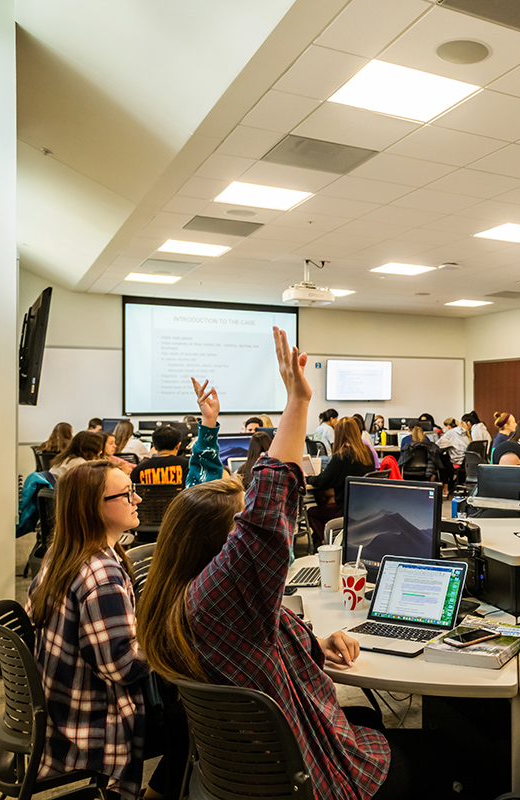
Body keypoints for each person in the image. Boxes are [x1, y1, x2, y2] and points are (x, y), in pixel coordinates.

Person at [135, 327, 462, 799]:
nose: (247, 530)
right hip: (316, 777)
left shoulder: (181, 600)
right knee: (443, 751)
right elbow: (265, 518)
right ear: (220, 546)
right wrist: (297, 402)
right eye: (237, 526)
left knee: (368, 719)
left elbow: (265, 632)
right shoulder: (215, 603)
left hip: (260, 763)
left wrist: (312, 642)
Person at [26, 460, 185, 799]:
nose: (138, 500)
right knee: (196, 721)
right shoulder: (102, 575)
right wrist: (170, 641)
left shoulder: (62, 554)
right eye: (127, 494)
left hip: (60, 707)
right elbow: (123, 667)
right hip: (92, 724)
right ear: (93, 508)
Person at [306, 417, 375, 542]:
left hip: (345, 509)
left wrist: (307, 478)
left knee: (312, 512)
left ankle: (328, 544)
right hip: (364, 507)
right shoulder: (366, 452)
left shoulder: (342, 456)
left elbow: (322, 481)